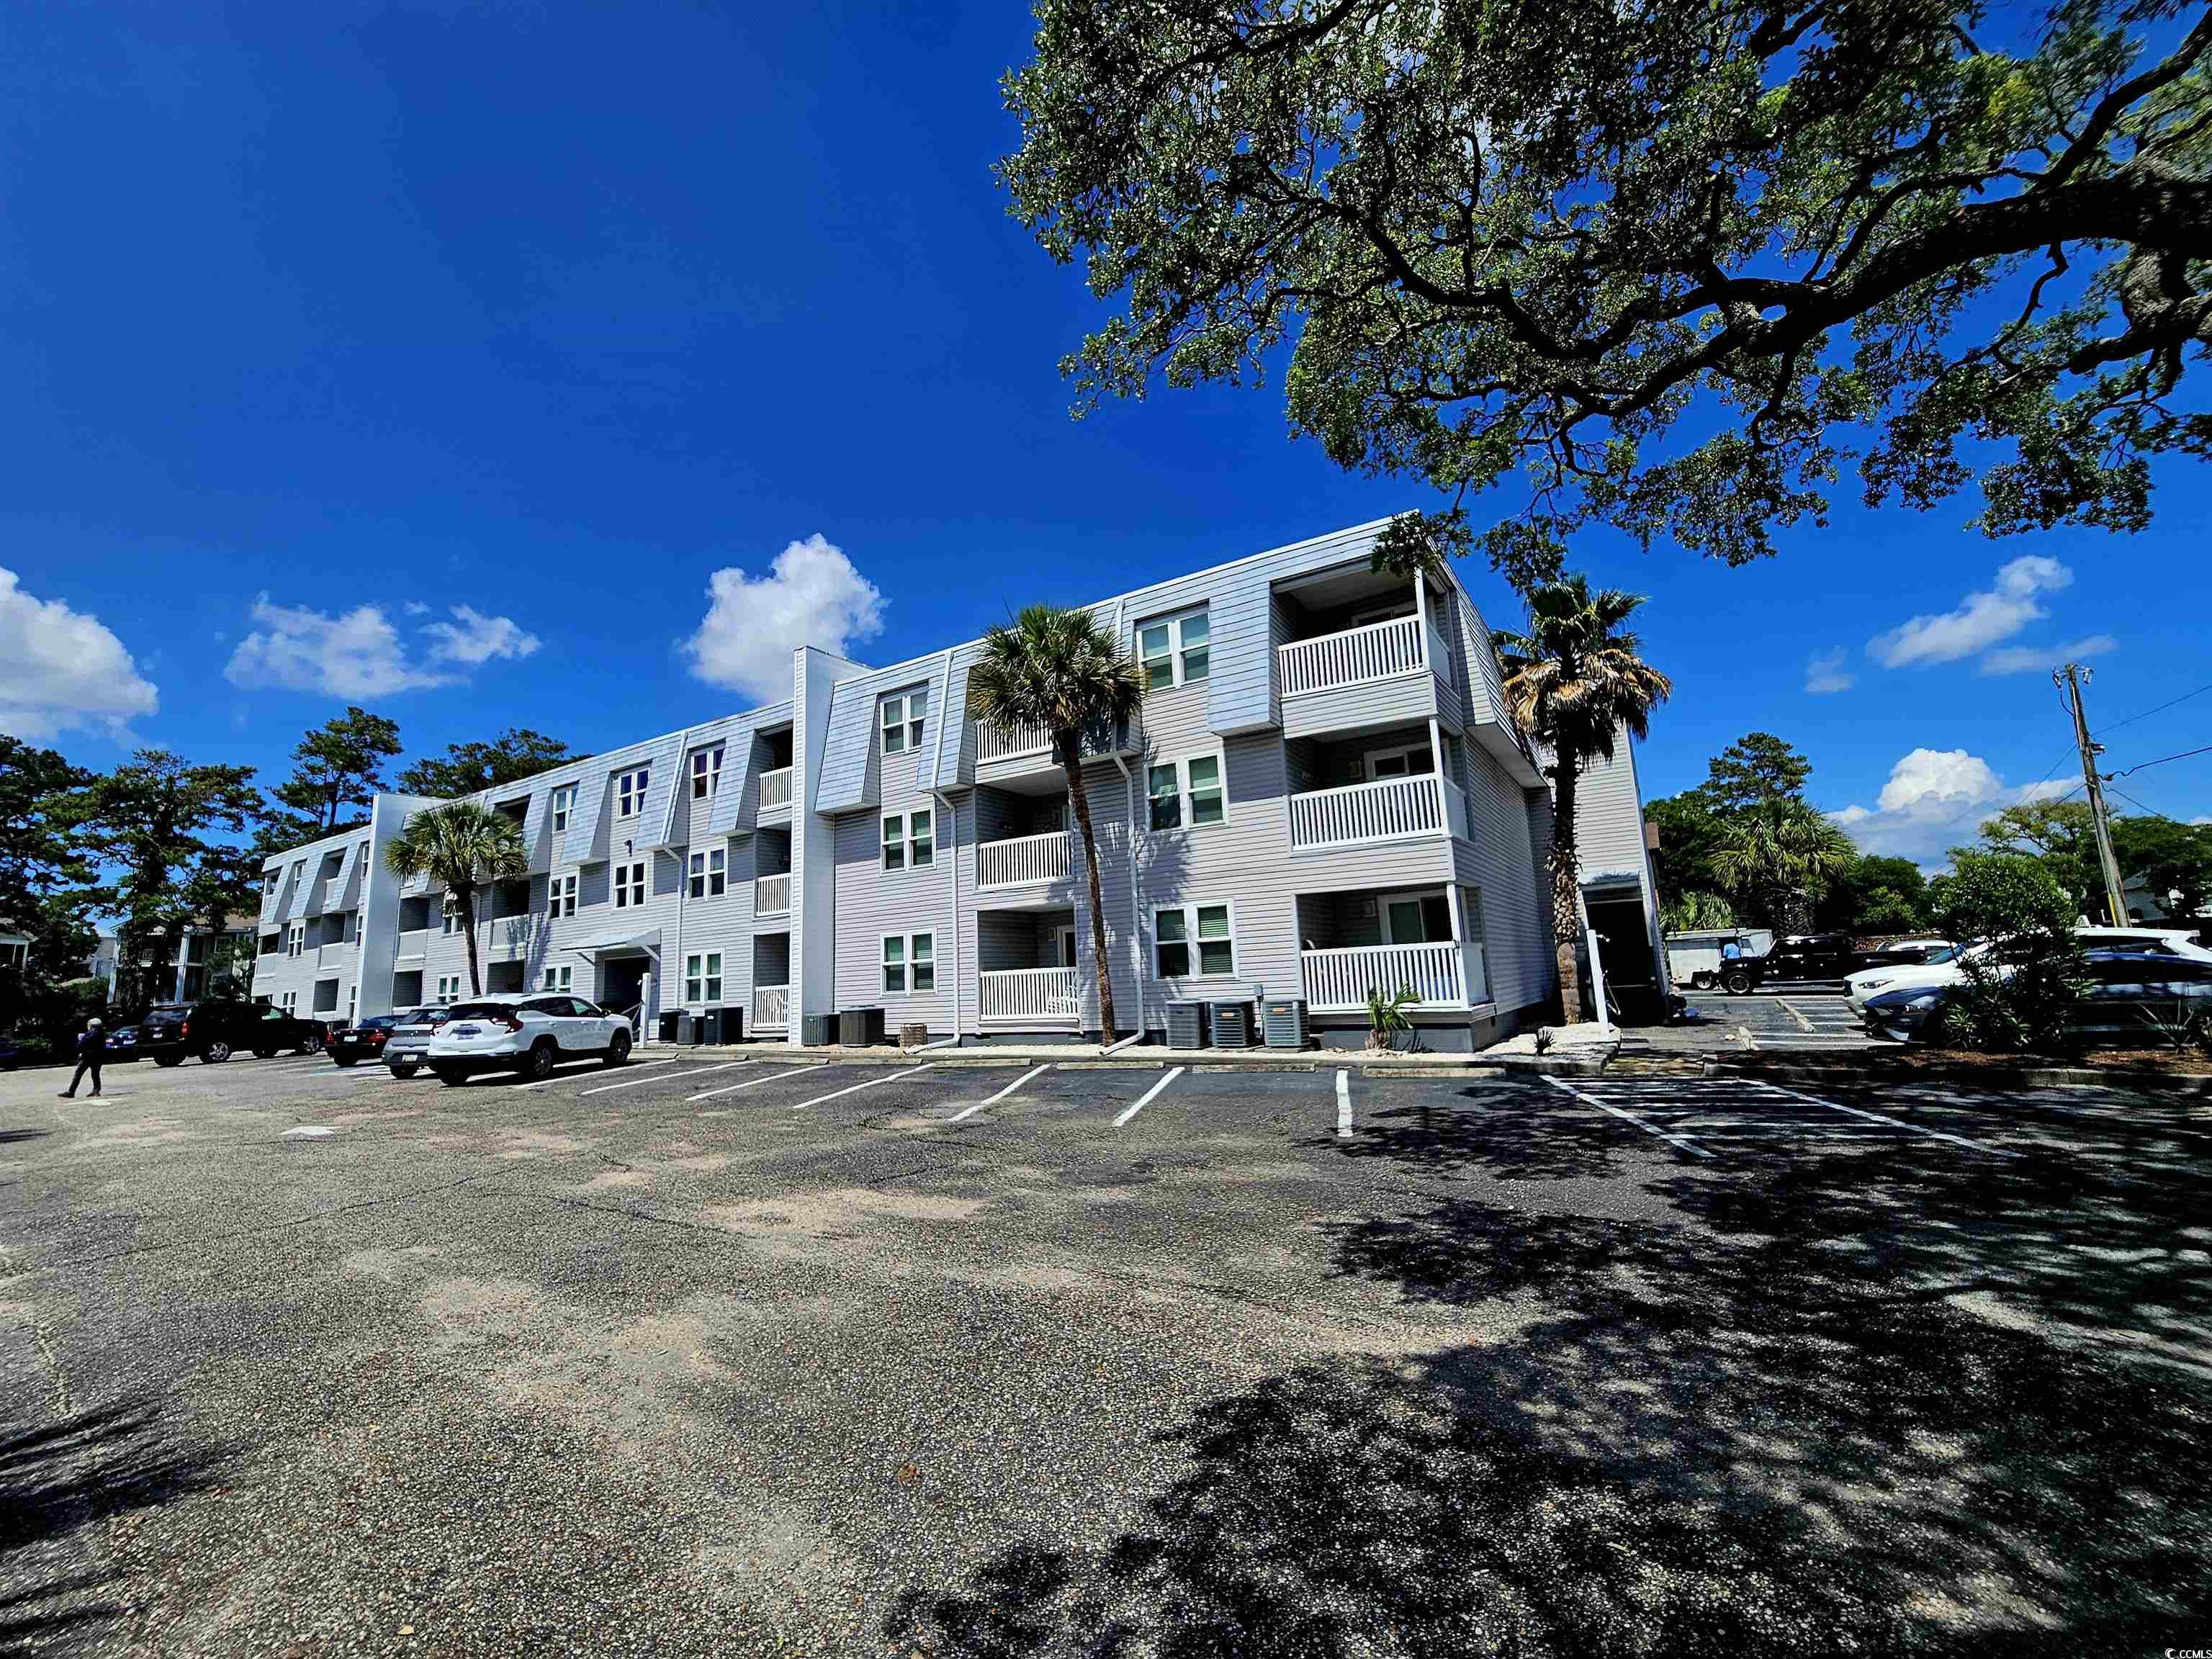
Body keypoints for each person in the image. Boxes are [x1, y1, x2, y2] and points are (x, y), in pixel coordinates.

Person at [59, 1017, 105, 1100]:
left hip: (87, 1057)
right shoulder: (102, 1034)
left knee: (78, 1074)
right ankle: (96, 1091)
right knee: (95, 1075)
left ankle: (71, 1092)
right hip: (98, 1057)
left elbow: (81, 1045)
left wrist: (80, 1044)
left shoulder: (90, 1033)